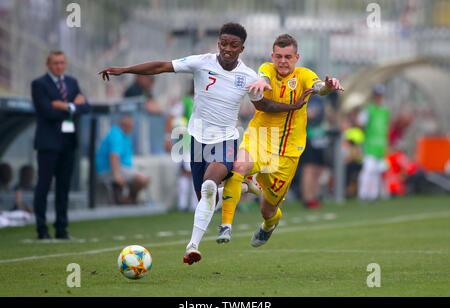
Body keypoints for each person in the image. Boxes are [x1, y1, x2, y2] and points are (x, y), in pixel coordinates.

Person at [99, 23, 312, 265]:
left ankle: (193, 246)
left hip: (226, 139)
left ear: (242, 48)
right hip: (197, 139)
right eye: (223, 43)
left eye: (233, 45)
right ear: (218, 43)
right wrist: (124, 70)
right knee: (204, 197)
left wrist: (293, 106)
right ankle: (243, 187)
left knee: (210, 186)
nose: (227, 49)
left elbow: (264, 106)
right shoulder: (202, 62)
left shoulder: (248, 76)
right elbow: (162, 66)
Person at [217, 34, 344, 247]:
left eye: (288, 56)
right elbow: (263, 77)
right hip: (261, 138)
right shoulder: (267, 69)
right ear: (272, 56)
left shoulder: (304, 75)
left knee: (268, 210)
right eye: (279, 56)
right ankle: (226, 226)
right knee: (238, 165)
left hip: (288, 153)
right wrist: (260, 81)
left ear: (296, 57)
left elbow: (319, 87)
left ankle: (270, 224)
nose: (282, 61)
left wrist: (328, 87)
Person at [31, 50, 91, 240]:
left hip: (68, 142)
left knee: (63, 187)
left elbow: (86, 107)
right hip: (48, 143)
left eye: (62, 63)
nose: (59, 66)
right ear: (48, 65)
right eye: (55, 63)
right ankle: (42, 229)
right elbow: (47, 111)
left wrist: (65, 106)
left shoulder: (71, 83)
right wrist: (73, 106)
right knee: (44, 185)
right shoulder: (39, 84)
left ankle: (61, 228)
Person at [95, 114, 150, 205]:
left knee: (146, 178)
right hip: (108, 170)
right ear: (125, 125)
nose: (132, 128)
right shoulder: (116, 135)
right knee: (141, 179)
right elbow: (114, 156)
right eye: (131, 125)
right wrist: (116, 175)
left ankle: (129, 199)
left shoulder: (125, 136)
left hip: (123, 168)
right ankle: (127, 200)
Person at [165, 82, 197, 212]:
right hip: (187, 142)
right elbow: (171, 118)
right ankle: (184, 204)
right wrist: (167, 138)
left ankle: (193, 205)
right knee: (187, 173)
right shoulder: (185, 102)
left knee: (196, 174)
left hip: (203, 142)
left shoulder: (206, 101)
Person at [357, 85, 390, 201]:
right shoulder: (368, 110)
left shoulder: (384, 111)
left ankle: (373, 194)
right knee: (368, 170)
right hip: (370, 145)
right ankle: (363, 193)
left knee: (377, 171)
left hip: (380, 146)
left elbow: (386, 129)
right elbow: (360, 124)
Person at [299, 94, 328, 209]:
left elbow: (321, 116)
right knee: (309, 168)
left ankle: (314, 196)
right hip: (307, 136)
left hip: (319, 137)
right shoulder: (303, 97)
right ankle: (308, 198)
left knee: (319, 168)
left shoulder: (320, 99)